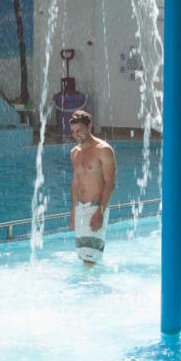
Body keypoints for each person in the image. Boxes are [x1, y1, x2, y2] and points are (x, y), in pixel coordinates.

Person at [69, 110, 116, 264]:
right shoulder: (74, 152)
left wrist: (100, 211)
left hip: (96, 207)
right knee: (84, 256)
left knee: (91, 259)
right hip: (80, 208)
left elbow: (110, 182)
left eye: (80, 131)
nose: (76, 135)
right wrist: (73, 211)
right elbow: (76, 182)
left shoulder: (103, 150)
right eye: (74, 132)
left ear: (90, 126)